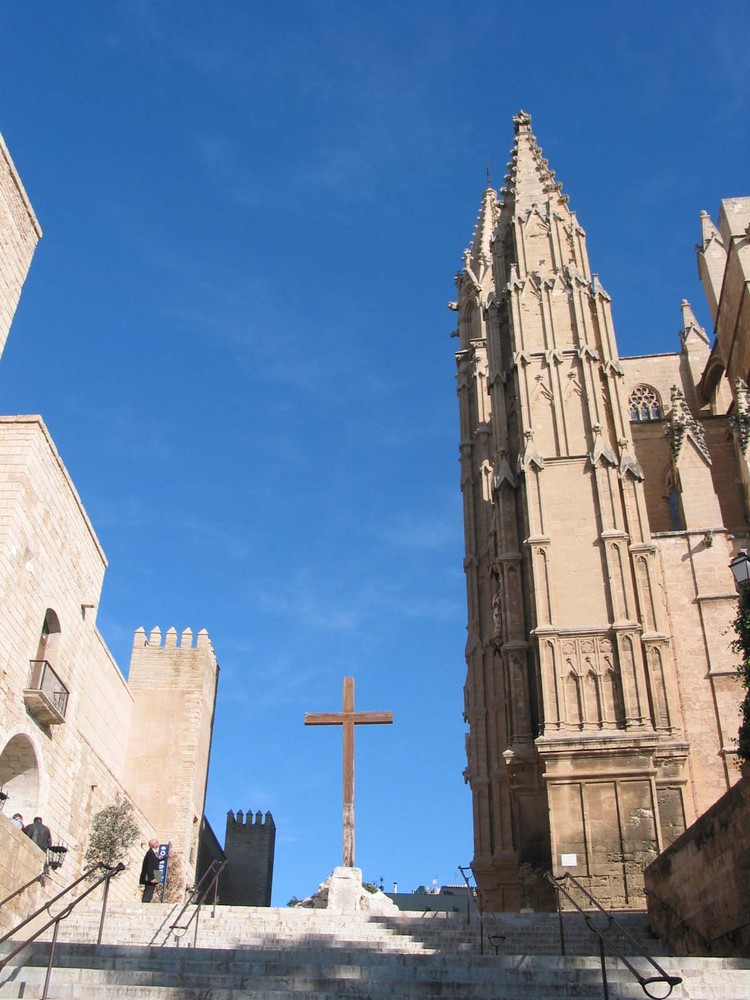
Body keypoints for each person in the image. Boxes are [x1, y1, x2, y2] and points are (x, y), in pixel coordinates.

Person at [139, 838, 162, 902]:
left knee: (151, 890)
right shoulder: (150, 853)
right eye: (157, 842)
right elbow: (150, 866)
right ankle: (145, 903)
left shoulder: (154, 853)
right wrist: (152, 878)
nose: (158, 843)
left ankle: (146, 902)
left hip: (154, 875)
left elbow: (158, 860)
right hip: (151, 877)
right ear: (153, 845)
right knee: (149, 890)